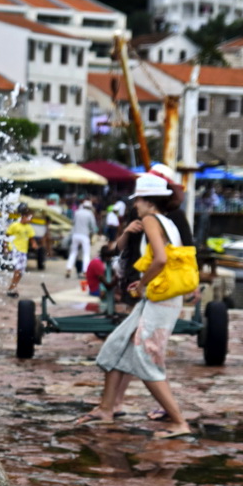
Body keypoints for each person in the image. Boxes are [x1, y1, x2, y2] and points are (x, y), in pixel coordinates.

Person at [76, 173, 192, 439]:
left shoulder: (151, 219)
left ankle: (179, 422)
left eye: (138, 199)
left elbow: (160, 259)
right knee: (116, 344)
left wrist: (141, 284)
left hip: (160, 296)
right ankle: (106, 408)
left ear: (146, 199)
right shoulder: (167, 221)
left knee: (146, 357)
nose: (135, 205)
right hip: (161, 295)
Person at [5, 207, 38, 298]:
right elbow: (7, 236)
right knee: (18, 269)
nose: (30, 219)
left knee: (21, 272)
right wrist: (6, 247)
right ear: (23, 216)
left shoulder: (29, 227)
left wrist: (34, 244)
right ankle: (12, 288)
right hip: (15, 250)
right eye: (29, 217)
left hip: (23, 251)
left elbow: (32, 239)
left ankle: (12, 287)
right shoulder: (15, 225)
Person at [65, 199, 97, 278]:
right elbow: (93, 226)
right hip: (84, 235)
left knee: (73, 252)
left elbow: (73, 222)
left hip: (75, 235)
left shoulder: (77, 212)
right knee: (86, 254)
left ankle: (68, 269)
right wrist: (93, 233)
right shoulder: (90, 214)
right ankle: (85, 271)